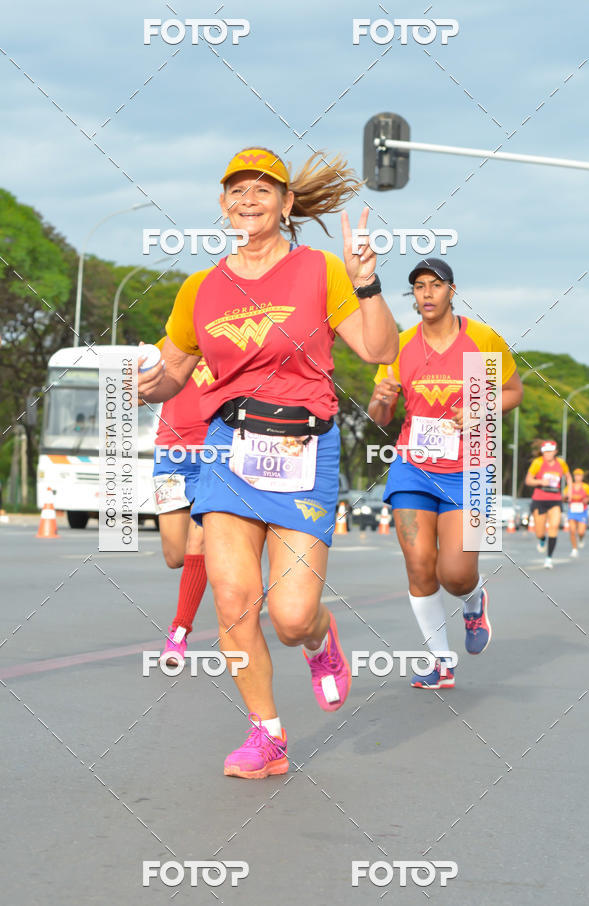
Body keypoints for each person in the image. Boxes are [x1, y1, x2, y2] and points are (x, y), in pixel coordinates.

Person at [138, 147, 398, 778]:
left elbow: (378, 348)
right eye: (236, 190)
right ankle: (267, 734)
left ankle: (320, 637)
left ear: (286, 204)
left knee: (291, 617)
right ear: (222, 204)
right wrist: (144, 384)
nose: (247, 199)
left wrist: (366, 282)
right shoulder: (200, 288)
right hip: (228, 449)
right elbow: (173, 373)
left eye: (262, 189)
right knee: (233, 598)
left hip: (304, 448)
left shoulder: (320, 270)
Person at [368, 258, 522, 690]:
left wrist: (481, 408)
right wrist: (380, 399)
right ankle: (440, 661)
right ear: (413, 295)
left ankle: (474, 601)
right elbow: (381, 417)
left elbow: (513, 392)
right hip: (412, 467)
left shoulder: (481, 339)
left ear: (451, 291)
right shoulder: (399, 346)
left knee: (454, 574)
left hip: (470, 467)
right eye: (419, 286)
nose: (427, 293)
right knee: (419, 566)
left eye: (435, 285)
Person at [151, 348, 214, 666]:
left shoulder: (230, 338)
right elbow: (140, 394)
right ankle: (237, 562)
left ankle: (178, 633)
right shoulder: (169, 344)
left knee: (198, 543)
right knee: (176, 556)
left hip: (216, 453)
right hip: (170, 455)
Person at [525, 440, 571, 568]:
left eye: (550, 451)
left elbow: (568, 477)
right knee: (540, 532)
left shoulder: (561, 463)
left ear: (555, 452)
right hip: (539, 500)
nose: (547, 454)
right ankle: (542, 539)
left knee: (554, 527)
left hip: (555, 499)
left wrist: (569, 491)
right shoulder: (538, 462)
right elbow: (528, 480)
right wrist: (540, 482)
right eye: (545, 452)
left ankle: (549, 558)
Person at [564, 468, 589, 556]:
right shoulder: (569, 487)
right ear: (574, 476)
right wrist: (566, 497)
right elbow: (564, 497)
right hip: (572, 510)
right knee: (572, 530)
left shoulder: (586, 486)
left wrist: (586, 499)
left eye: (579, 475)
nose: (577, 477)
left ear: (582, 476)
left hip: (582, 511)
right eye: (576, 475)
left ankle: (581, 538)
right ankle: (574, 549)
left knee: (581, 532)